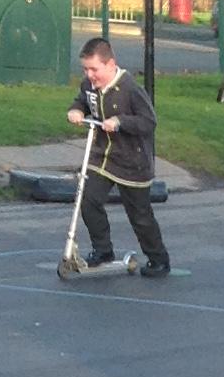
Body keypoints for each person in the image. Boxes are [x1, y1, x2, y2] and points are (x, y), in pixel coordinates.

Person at [67, 35, 170, 276]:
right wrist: (76, 110)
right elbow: (82, 101)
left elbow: (148, 121)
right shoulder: (88, 86)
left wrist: (120, 121)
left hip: (132, 161)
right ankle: (103, 250)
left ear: (111, 64)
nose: (90, 75)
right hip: (102, 156)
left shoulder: (130, 89)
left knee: (140, 215)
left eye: (94, 69)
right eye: (85, 69)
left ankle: (158, 258)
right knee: (88, 199)